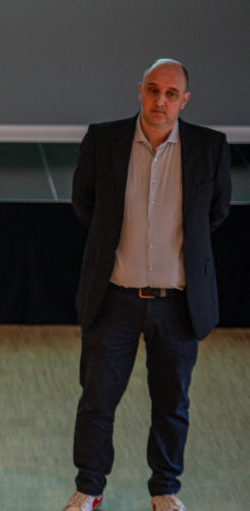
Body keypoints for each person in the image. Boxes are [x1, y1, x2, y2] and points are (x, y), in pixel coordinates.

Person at [64, 58, 232, 511]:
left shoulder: (209, 147)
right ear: (140, 90)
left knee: (172, 405)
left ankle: (165, 490)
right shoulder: (104, 140)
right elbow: (85, 204)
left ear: (184, 100)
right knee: (97, 401)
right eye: (153, 90)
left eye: (171, 94)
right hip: (114, 297)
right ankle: (89, 488)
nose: (160, 101)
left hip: (178, 303)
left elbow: (214, 214)